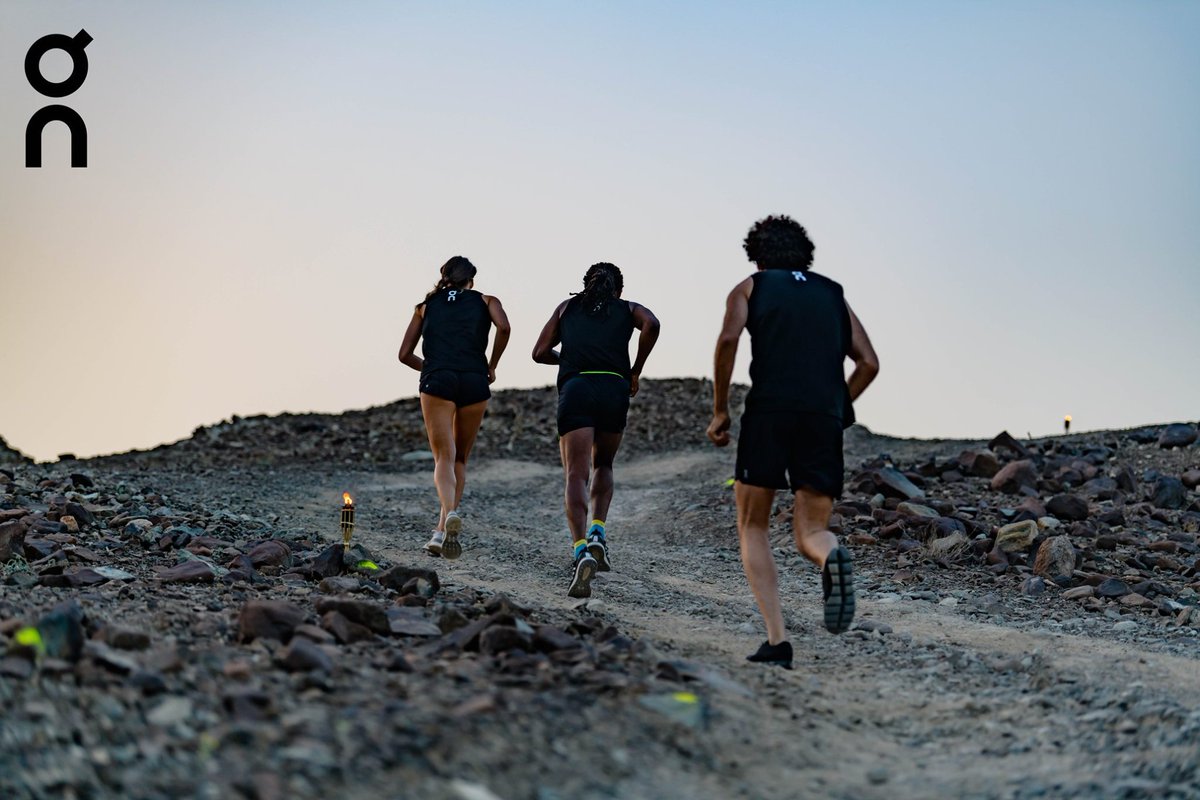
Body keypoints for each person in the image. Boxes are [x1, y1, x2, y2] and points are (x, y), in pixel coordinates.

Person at [707, 216, 879, 669]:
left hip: (769, 410)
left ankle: (778, 640)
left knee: (754, 525)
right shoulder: (832, 293)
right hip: (822, 416)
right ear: (806, 253)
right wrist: (836, 408)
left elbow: (728, 339)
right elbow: (868, 363)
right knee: (811, 531)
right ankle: (831, 556)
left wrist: (720, 409)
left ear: (757, 254)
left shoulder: (750, 287)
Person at [533, 263, 660, 598]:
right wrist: (635, 370)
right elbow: (652, 324)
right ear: (618, 288)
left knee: (576, 473)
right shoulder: (628, 308)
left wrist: (568, 356)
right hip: (614, 388)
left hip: (577, 388)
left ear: (585, 284)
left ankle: (580, 552)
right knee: (604, 465)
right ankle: (598, 533)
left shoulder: (567, 308)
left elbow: (539, 352)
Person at [398, 256, 511, 558]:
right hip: (475, 380)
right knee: (460, 457)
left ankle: (448, 516)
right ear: (470, 280)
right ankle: (440, 530)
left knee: (442, 458)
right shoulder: (487, 300)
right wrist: (492, 364)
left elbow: (404, 354)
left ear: (444, 277)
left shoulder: (425, 307)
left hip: (438, 380)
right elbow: (504, 328)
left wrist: (431, 368)